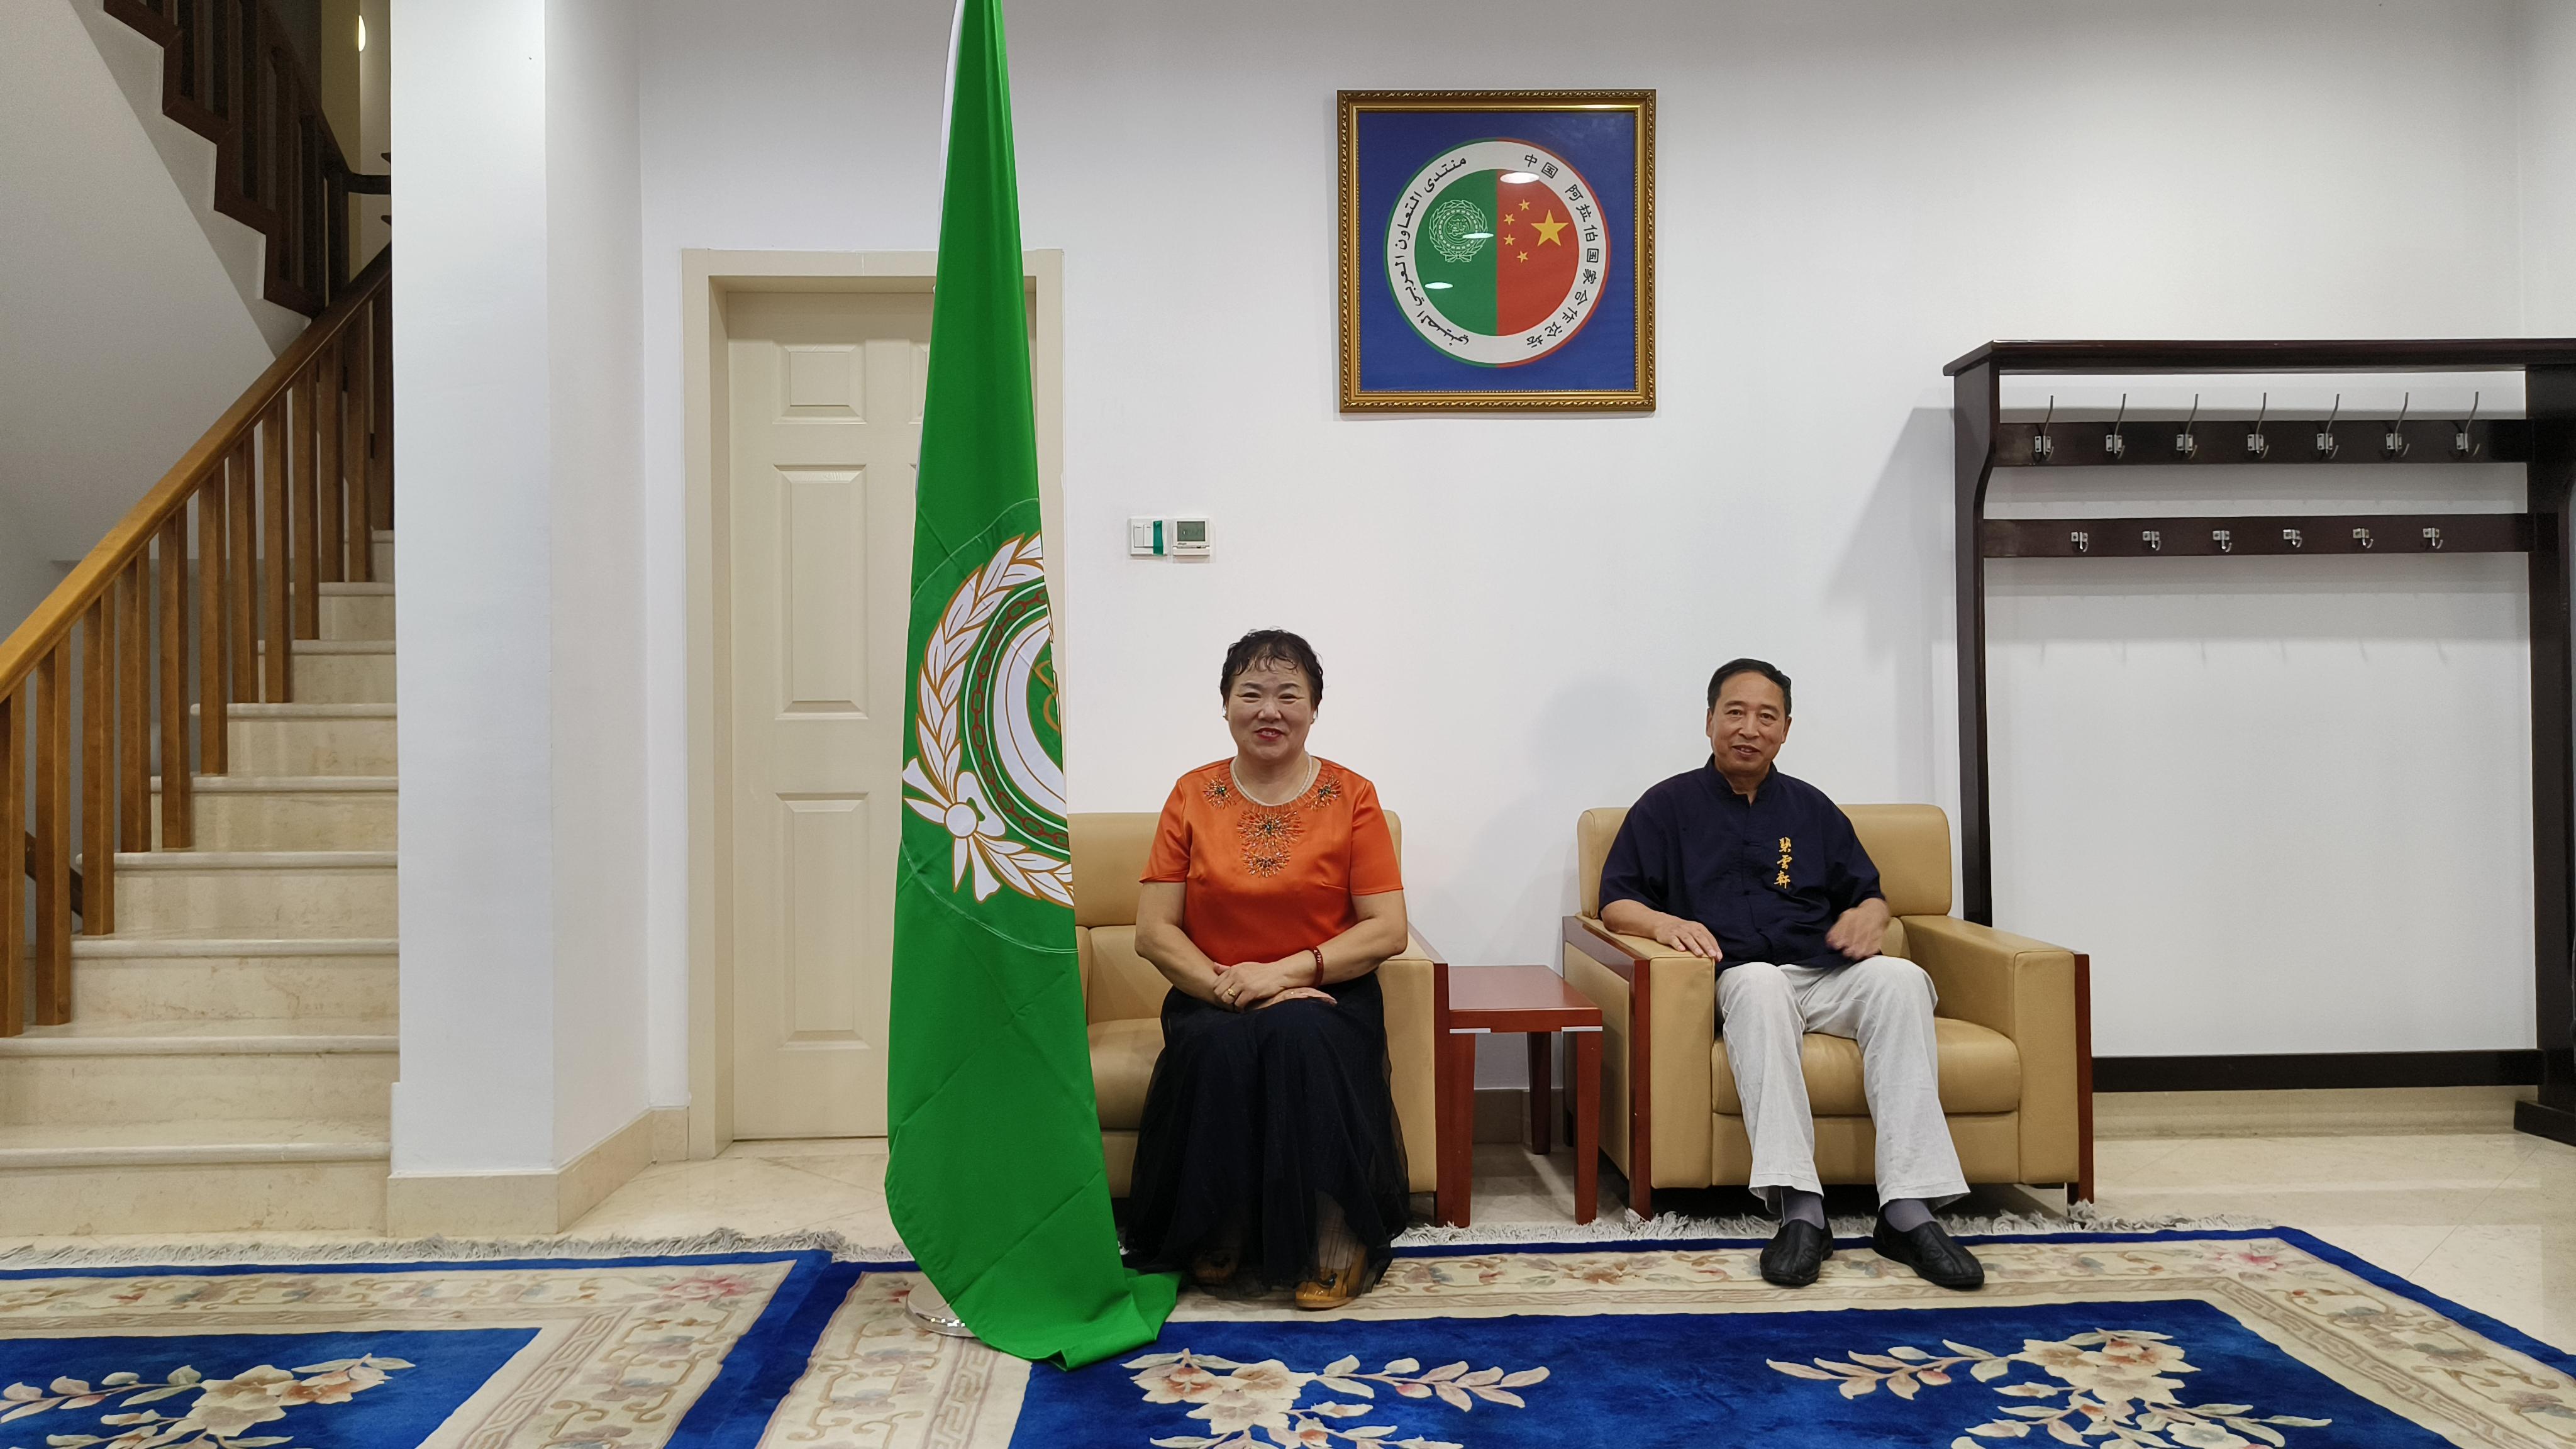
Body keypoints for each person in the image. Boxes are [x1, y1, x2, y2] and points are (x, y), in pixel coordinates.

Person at [1597, 658, 1985, 1292]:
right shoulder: (1666, 806)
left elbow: (1868, 893)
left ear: (1785, 730)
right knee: (1759, 984)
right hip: (1740, 974)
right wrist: (1664, 924)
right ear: (1709, 721)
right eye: (1735, 713)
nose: (1749, 729)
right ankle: (1801, 1209)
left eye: (1766, 717)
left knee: (1902, 980)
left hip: (1823, 971)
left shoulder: (1811, 808)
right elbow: (1615, 900)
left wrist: (1870, 915)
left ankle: (1907, 1210)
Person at [1123, 629, 1413, 1309]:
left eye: (1289, 695)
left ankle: (1340, 1233)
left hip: (1328, 995)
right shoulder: (1191, 794)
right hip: (1213, 992)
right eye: (1251, 693)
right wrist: (1233, 988)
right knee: (1216, 1046)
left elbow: (1387, 929)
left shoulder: (1353, 795)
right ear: (1225, 704)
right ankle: (1218, 1221)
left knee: (1300, 1036)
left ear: (1314, 708)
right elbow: (1153, 931)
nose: (1269, 710)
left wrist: (1283, 976)